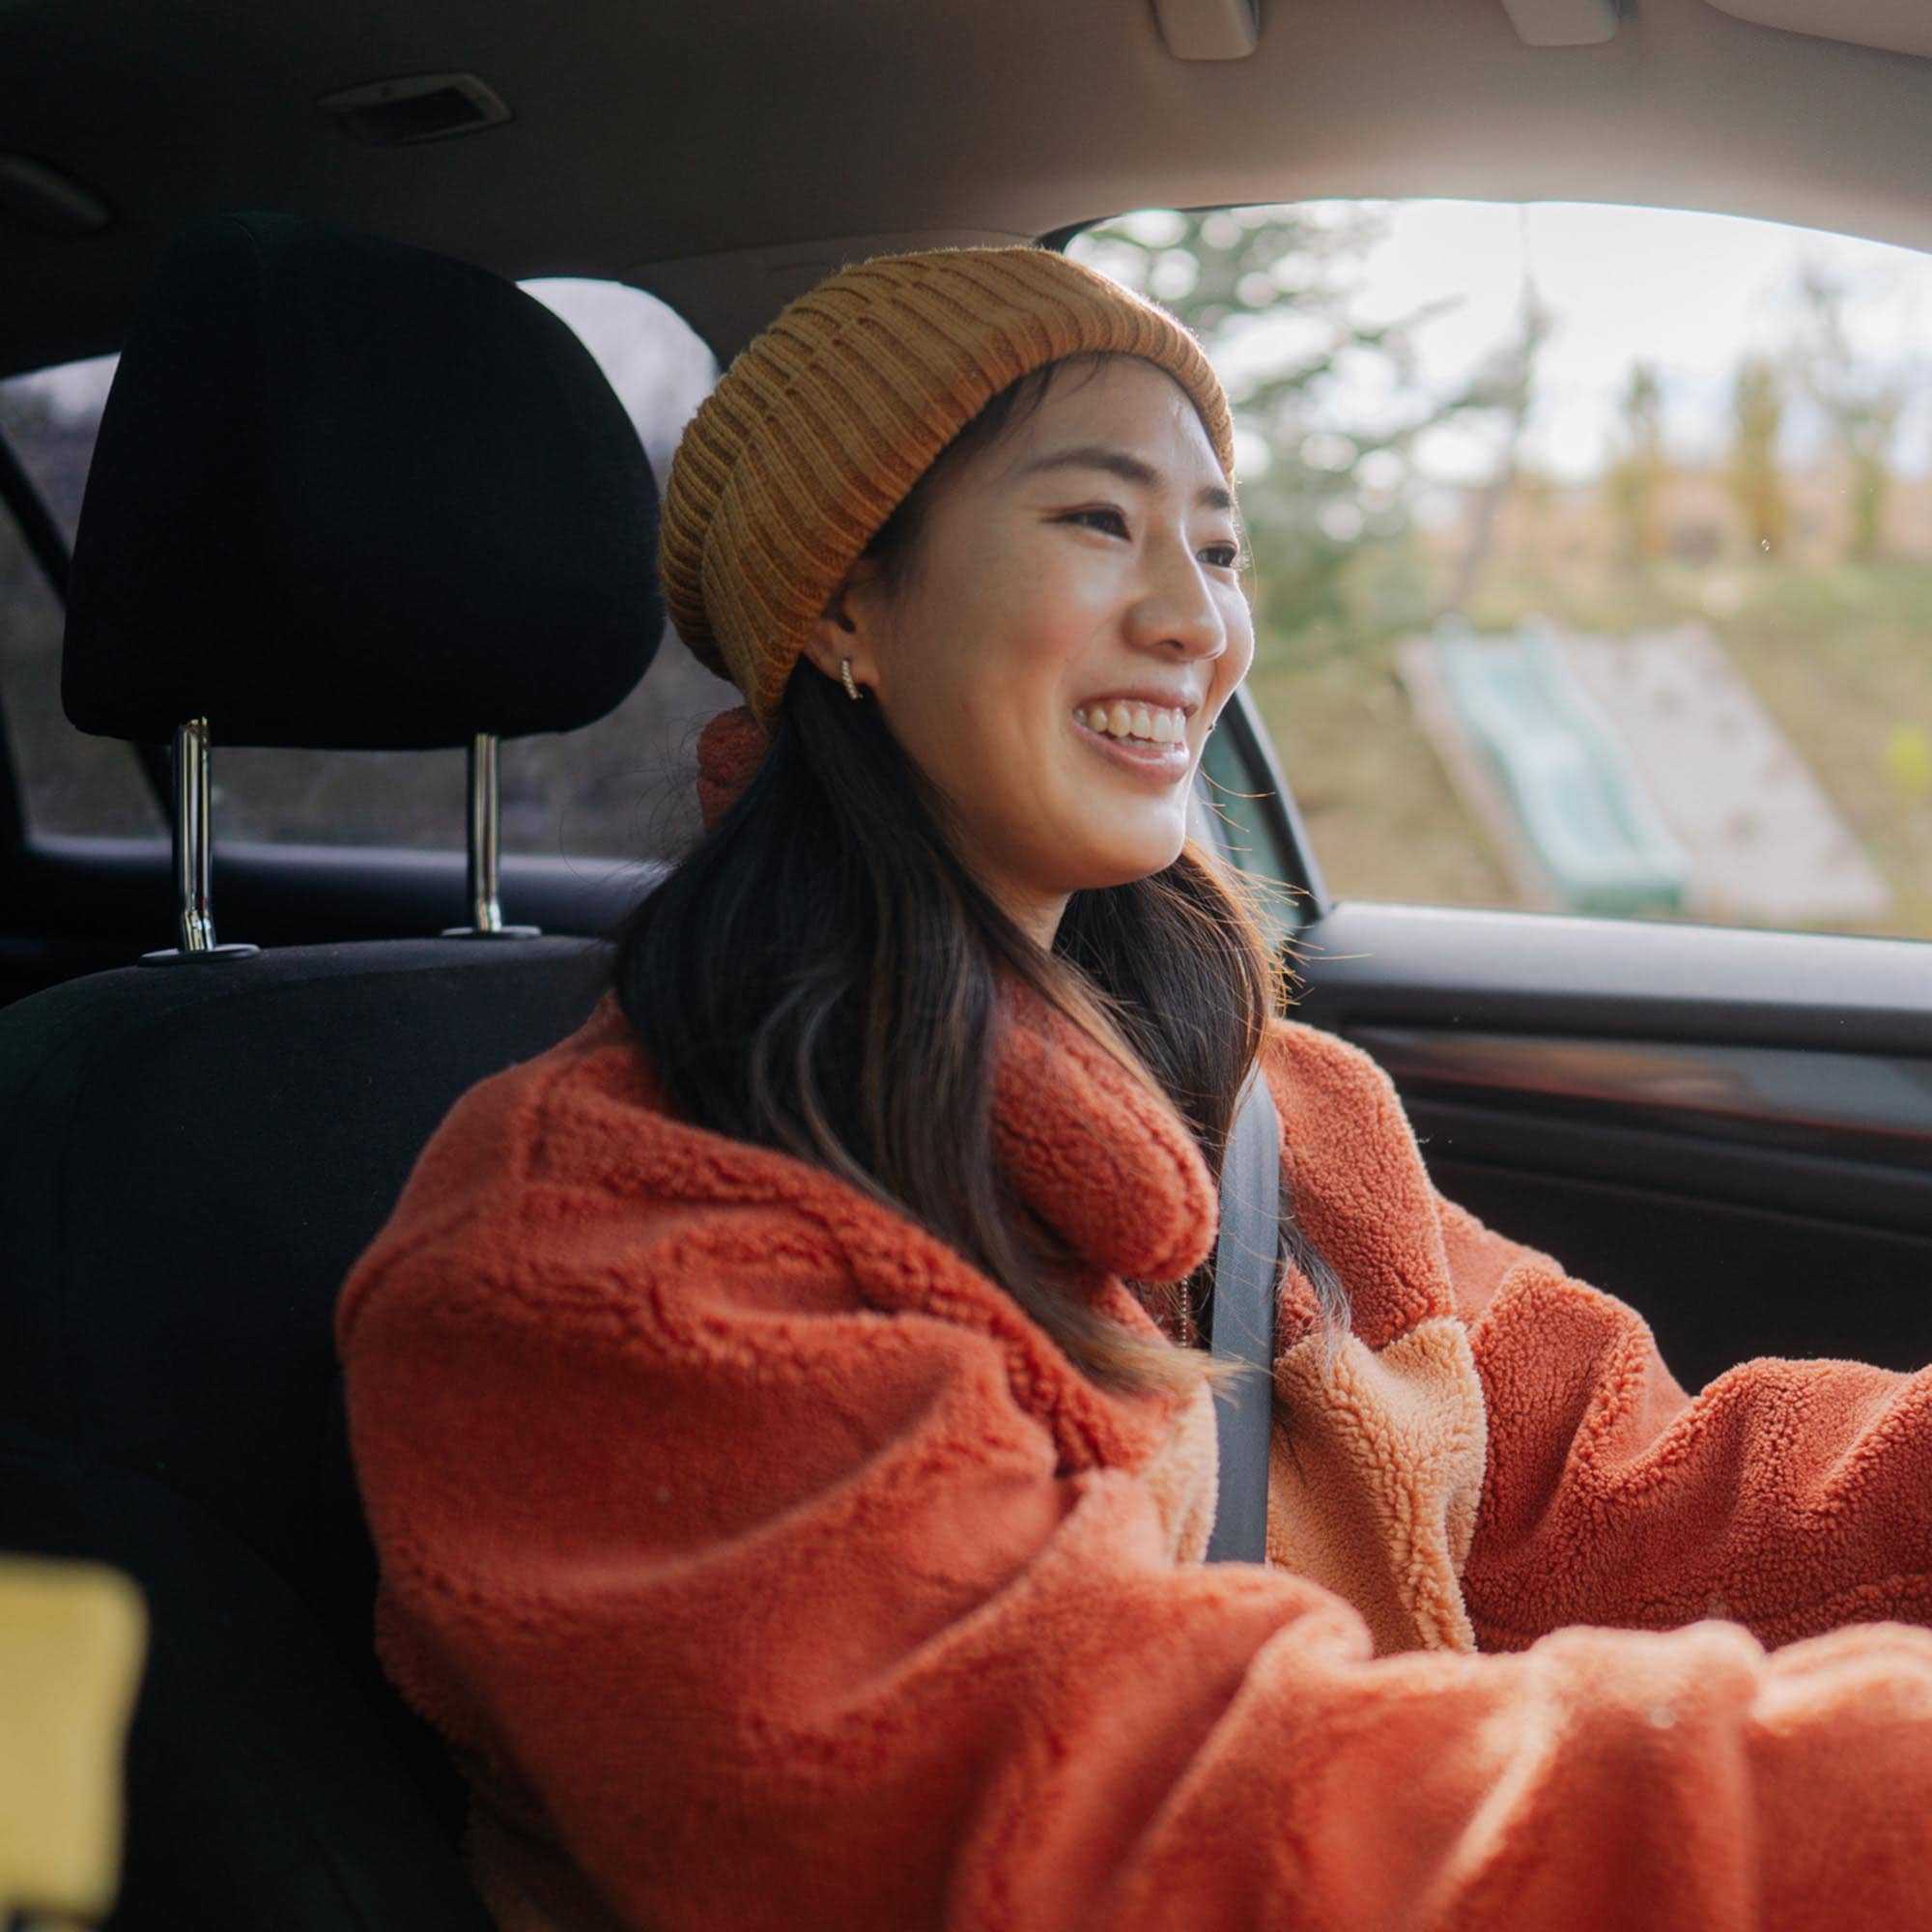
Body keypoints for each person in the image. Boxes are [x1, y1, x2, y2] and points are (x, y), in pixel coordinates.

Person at [336, 246, 1932, 1931]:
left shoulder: (1283, 1114)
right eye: (1100, 522)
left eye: (1220, 545)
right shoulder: (601, 1247)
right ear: (844, 613)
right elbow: (1103, 1819)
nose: (1198, 617)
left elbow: (1625, 1491)